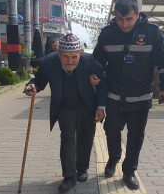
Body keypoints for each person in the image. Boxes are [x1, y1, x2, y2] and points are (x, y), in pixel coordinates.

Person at [91, 0, 164, 190]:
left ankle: (129, 171)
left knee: (136, 136)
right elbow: (97, 60)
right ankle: (113, 159)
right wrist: (94, 74)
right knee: (111, 131)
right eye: (120, 19)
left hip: (141, 96)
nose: (124, 24)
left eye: (128, 19)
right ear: (116, 15)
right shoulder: (107, 33)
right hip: (114, 95)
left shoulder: (152, 33)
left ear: (137, 14)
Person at [24, 33, 107, 192]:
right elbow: (39, 80)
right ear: (59, 54)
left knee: (86, 137)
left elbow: (102, 84)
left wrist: (101, 107)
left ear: (80, 54)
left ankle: (82, 169)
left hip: (86, 105)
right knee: (67, 139)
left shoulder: (89, 61)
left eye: (74, 57)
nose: (70, 61)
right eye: (65, 57)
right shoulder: (48, 62)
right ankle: (69, 176)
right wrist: (31, 86)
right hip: (64, 107)